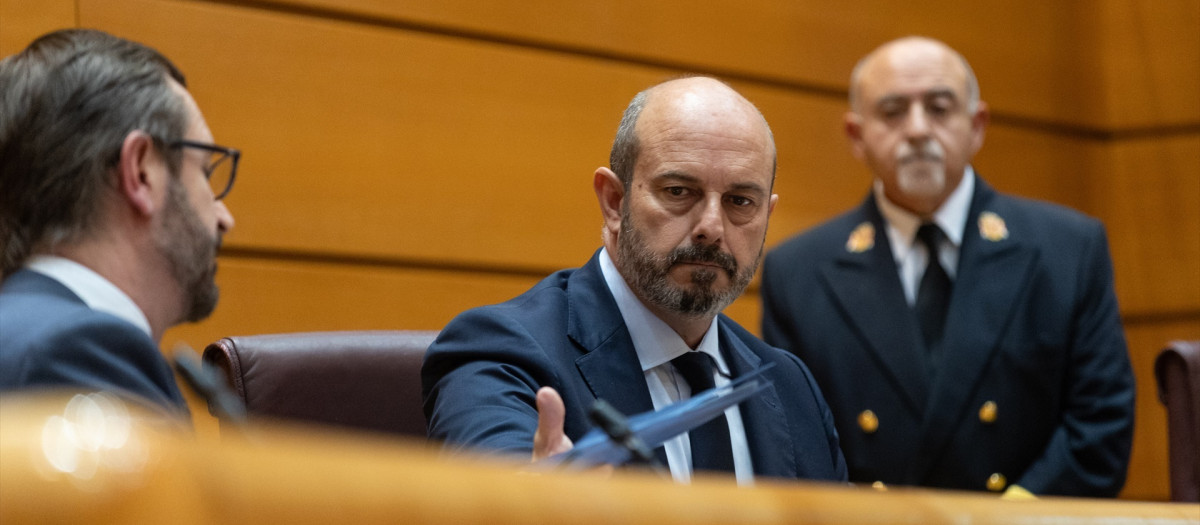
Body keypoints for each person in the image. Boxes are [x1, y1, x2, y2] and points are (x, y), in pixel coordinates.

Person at [422, 76, 847, 484]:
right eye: (679, 191)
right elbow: (495, 495)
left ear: (766, 217)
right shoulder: (500, 351)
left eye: (740, 202)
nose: (712, 227)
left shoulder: (791, 385)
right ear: (614, 202)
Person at [760, 36, 1134, 497]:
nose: (917, 129)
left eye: (939, 107)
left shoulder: (1068, 250)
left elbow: (1099, 425)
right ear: (856, 137)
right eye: (893, 111)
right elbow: (796, 447)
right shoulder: (798, 272)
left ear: (976, 125)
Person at [0, 29, 238, 415]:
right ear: (142, 172)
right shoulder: (78, 352)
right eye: (207, 174)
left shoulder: (22, 334)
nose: (224, 217)